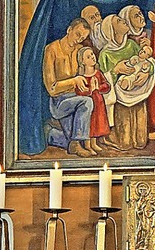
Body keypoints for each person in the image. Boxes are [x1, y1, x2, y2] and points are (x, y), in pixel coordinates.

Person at [98, 14, 152, 151]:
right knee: (125, 143)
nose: (124, 21)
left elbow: (146, 61)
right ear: (112, 30)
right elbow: (102, 79)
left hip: (138, 93)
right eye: (119, 21)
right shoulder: (106, 53)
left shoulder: (132, 45)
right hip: (120, 100)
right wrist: (115, 70)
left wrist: (147, 72)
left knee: (141, 141)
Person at [42, 18, 94, 157]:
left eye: (83, 38)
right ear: (69, 30)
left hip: (74, 99)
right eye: (78, 34)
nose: (79, 40)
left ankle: (50, 134)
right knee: (86, 102)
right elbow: (51, 89)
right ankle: (76, 143)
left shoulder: (79, 51)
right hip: (58, 102)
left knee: (67, 138)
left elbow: (85, 76)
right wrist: (74, 81)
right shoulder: (52, 49)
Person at [75, 46, 110, 154]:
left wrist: (98, 88)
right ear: (82, 61)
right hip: (88, 104)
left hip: (99, 103)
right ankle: (87, 145)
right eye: (88, 57)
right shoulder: (81, 77)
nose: (92, 57)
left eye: (92, 54)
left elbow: (107, 86)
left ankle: (94, 144)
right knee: (89, 123)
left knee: (97, 124)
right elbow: (79, 91)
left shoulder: (98, 73)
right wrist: (90, 89)